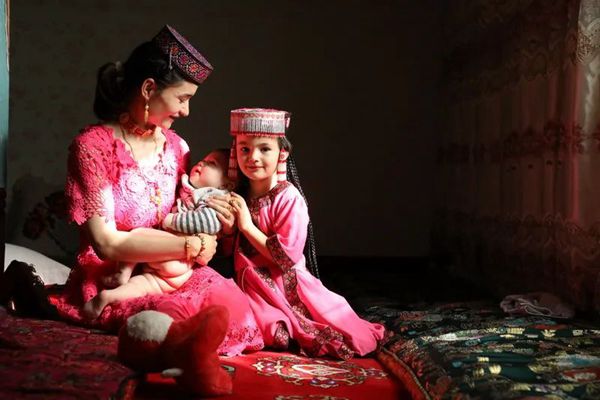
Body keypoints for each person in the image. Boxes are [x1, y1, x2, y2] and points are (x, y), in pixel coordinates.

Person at [50, 25, 263, 356]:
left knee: (233, 308)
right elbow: (107, 244)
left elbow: (188, 212)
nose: (186, 111)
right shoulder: (92, 147)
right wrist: (191, 245)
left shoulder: (177, 148)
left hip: (171, 269)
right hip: (116, 274)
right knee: (163, 322)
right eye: (183, 98)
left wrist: (220, 220)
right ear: (149, 88)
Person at [206, 108, 386, 360]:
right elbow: (230, 251)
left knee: (285, 333)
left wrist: (246, 225)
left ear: (282, 153)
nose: (253, 157)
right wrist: (227, 231)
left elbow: (285, 258)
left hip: (284, 286)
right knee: (223, 318)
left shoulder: (289, 198)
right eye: (245, 149)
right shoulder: (239, 195)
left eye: (264, 149)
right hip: (251, 286)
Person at [81, 149, 234, 319]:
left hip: (178, 250)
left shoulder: (214, 196)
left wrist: (171, 220)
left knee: (138, 234)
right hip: (180, 269)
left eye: (211, 163)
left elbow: (208, 222)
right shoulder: (190, 188)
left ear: (226, 185)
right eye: (203, 159)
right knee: (145, 285)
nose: (202, 163)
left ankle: (122, 272)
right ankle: (108, 297)